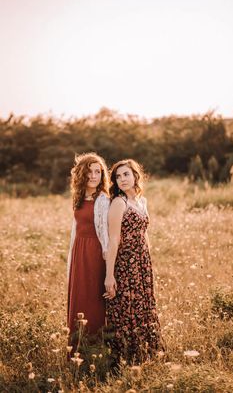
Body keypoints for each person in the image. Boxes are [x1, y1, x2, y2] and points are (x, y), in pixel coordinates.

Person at [104, 159, 162, 364]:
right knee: (128, 307)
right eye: (118, 176)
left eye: (126, 174)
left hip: (142, 262)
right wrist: (109, 275)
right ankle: (127, 356)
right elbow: (113, 240)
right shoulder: (119, 203)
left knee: (144, 304)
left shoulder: (141, 201)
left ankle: (146, 352)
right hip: (125, 263)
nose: (122, 179)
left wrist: (148, 259)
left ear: (136, 175)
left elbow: (144, 232)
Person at [67, 152, 110, 354]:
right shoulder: (78, 197)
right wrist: (70, 262)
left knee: (94, 301)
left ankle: (95, 351)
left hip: (95, 254)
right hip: (79, 252)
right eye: (90, 171)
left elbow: (106, 235)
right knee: (79, 299)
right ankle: (77, 350)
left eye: (98, 172)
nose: (94, 176)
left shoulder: (103, 200)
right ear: (82, 174)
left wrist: (109, 265)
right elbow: (75, 230)